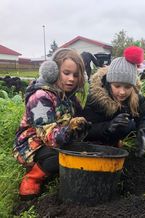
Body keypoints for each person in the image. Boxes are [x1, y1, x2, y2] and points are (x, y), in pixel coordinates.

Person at [13, 48, 89, 199]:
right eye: (66, 73)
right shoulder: (40, 97)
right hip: (31, 145)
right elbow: (49, 137)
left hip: (57, 138)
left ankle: (54, 172)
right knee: (61, 155)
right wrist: (70, 128)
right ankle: (31, 180)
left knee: (81, 150)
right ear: (53, 71)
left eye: (76, 75)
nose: (71, 79)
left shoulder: (69, 97)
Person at [82, 53, 145, 157]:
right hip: (93, 144)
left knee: (128, 124)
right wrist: (108, 126)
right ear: (108, 83)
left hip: (120, 139)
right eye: (117, 86)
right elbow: (85, 130)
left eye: (128, 87)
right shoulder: (94, 98)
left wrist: (144, 132)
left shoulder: (137, 98)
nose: (122, 92)